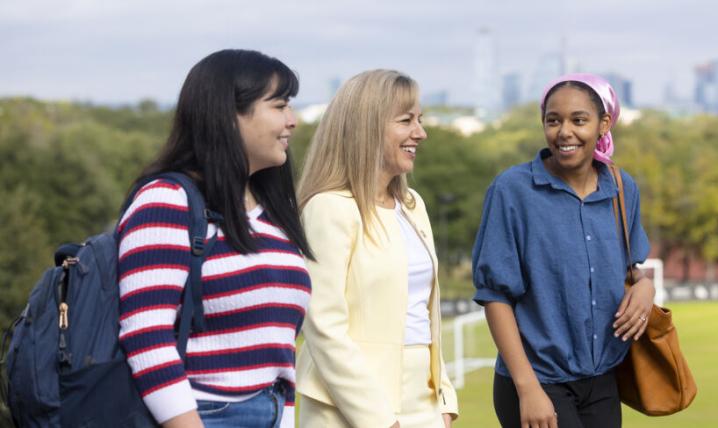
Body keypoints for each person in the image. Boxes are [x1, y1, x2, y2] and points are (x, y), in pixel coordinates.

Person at [117, 49, 313, 428]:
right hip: (201, 414)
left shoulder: (274, 214)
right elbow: (145, 333)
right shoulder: (167, 200)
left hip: (269, 411)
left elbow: (279, 351)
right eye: (279, 106)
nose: (293, 121)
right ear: (229, 115)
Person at [472, 73, 655, 428]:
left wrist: (645, 286)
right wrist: (528, 389)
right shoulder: (512, 191)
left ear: (603, 124)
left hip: (602, 379)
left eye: (578, 120)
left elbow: (630, 267)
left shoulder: (622, 187)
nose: (564, 132)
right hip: (536, 380)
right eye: (553, 120)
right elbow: (494, 296)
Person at [295, 69, 458, 428]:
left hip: (424, 406)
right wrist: (379, 420)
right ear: (366, 127)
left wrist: (444, 400)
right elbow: (324, 327)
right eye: (406, 120)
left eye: (420, 119)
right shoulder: (328, 208)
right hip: (349, 409)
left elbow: (423, 313)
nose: (421, 132)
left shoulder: (413, 204)